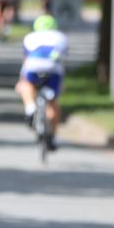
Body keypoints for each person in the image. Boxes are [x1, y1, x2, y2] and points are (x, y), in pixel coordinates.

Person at [14, 14, 69, 150]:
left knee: (27, 85)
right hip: (53, 68)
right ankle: (54, 137)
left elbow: (26, 60)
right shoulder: (61, 37)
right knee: (53, 102)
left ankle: (30, 107)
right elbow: (63, 60)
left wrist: (21, 81)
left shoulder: (30, 37)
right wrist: (62, 84)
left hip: (33, 65)